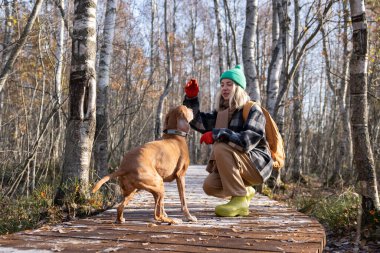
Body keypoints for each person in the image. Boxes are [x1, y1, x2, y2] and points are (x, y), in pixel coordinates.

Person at [183, 65, 273, 217]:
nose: (224, 88)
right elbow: (198, 122)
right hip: (240, 163)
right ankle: (245, 191)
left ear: (238, 87)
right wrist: (191, 99)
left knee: (221, 147)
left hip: (257, 165)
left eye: (229, 84)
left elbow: (247, 141)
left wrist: (218, 134)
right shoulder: (222, 113)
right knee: (209, 186)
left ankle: (239, 200)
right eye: (222, 84)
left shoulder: (252, 109)